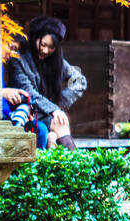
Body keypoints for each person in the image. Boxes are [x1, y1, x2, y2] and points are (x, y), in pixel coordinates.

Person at [7, 16, 87, 150]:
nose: (45, 50)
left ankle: (61, 148)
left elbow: (80, 81)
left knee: (59, 123)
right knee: (60, 124)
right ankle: (78, 165)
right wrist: (54, 110)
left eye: (51, 47)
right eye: (43, 44)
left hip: (45, 113)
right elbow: (29, 93)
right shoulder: (19, 59)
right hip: (25, 111)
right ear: (34, 38)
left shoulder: (55, 60)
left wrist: (56, 106)